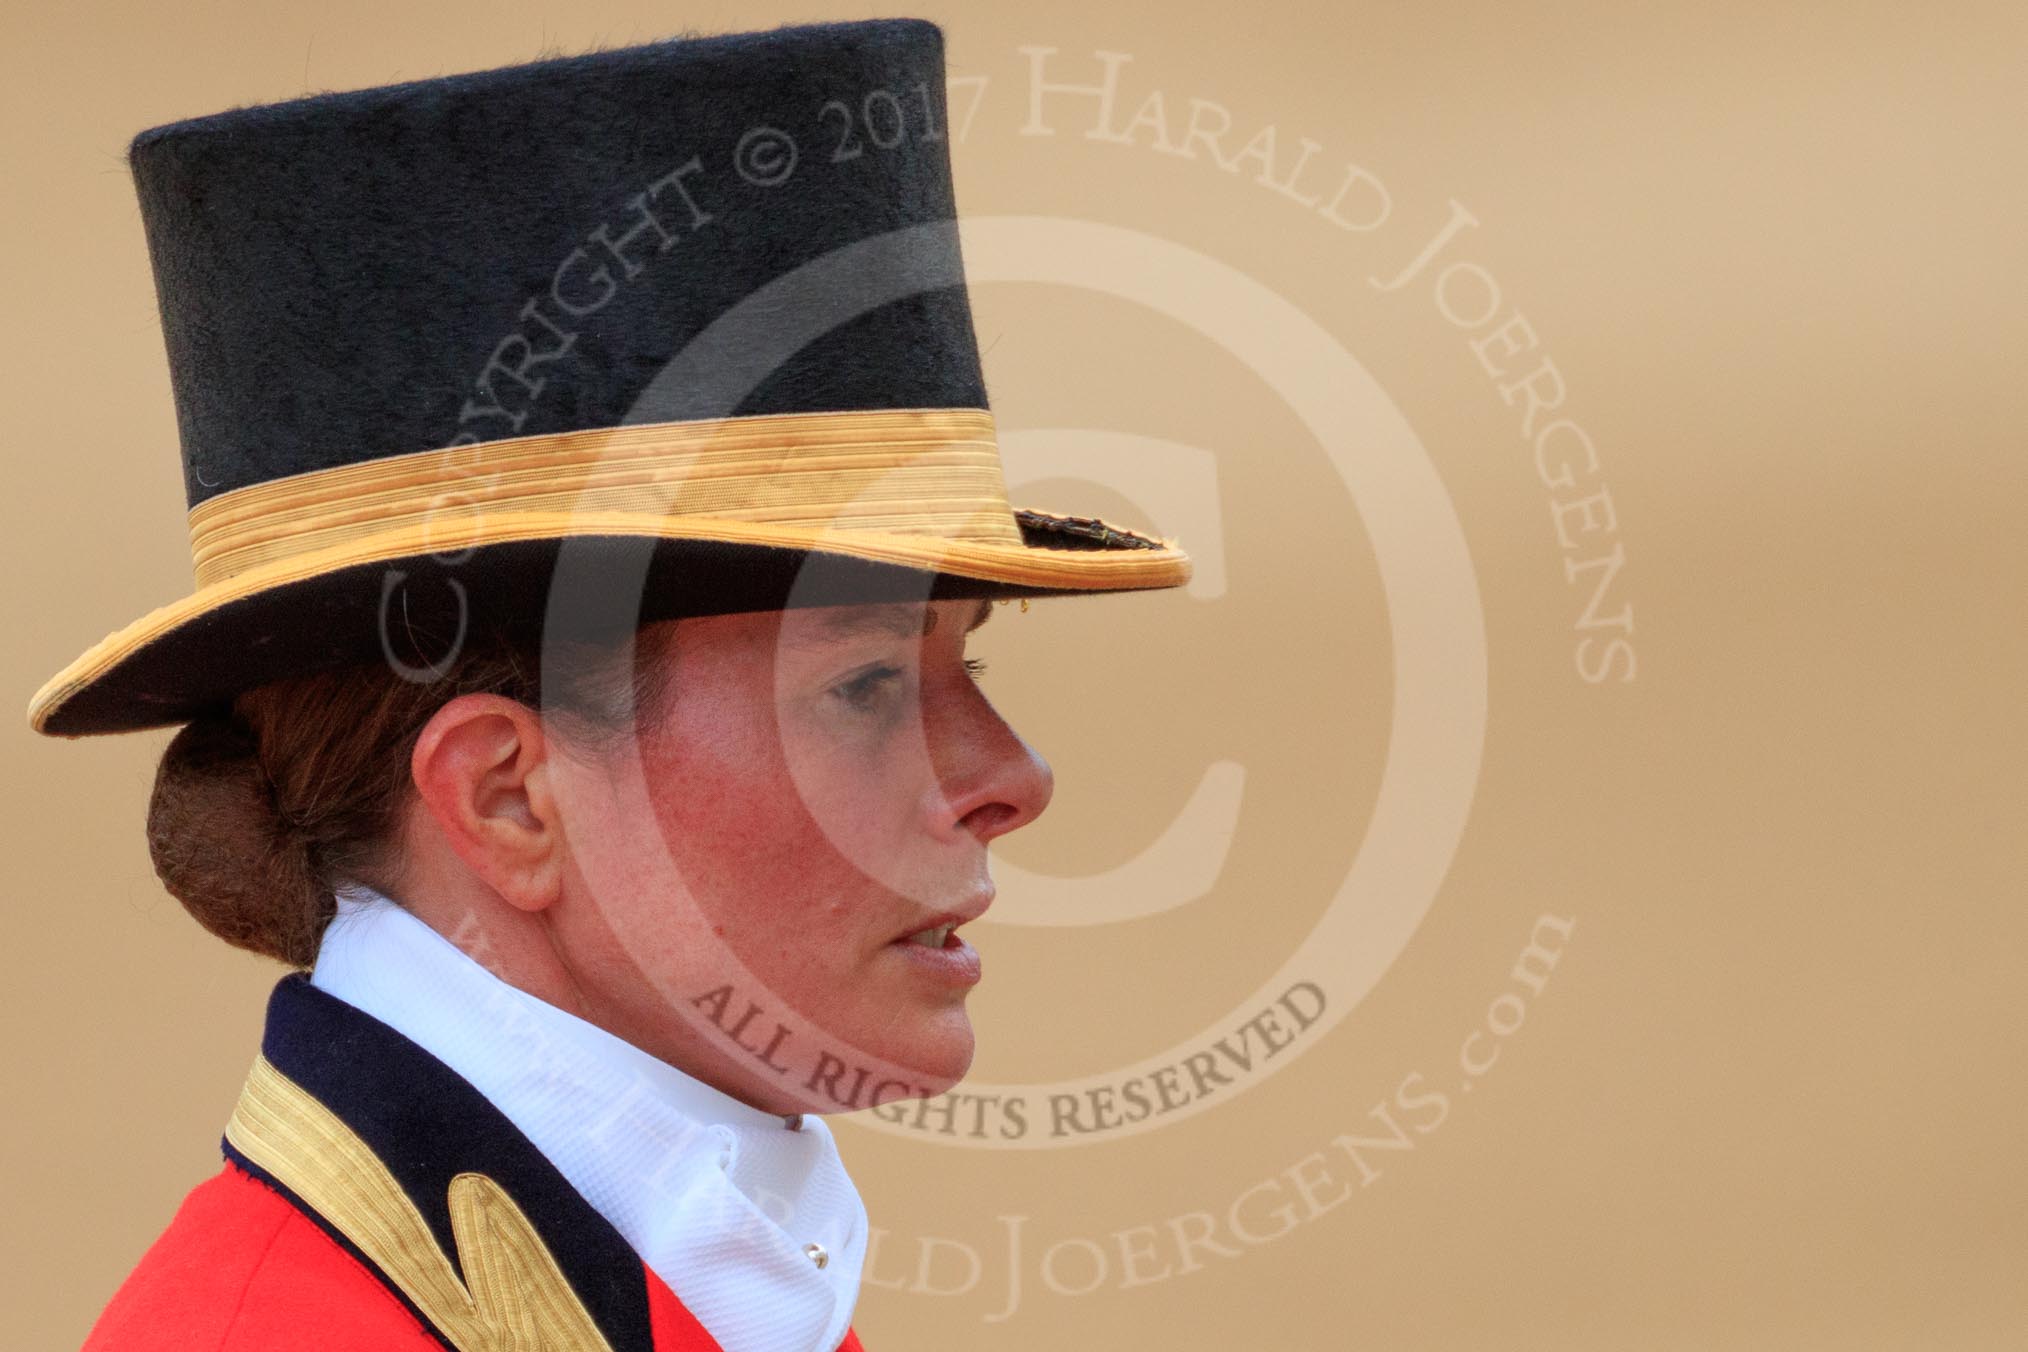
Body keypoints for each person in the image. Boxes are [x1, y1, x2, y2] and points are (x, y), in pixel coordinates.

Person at [29, 16, 1189, 1352]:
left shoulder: (680, 1274)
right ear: (510, 797)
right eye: (869, 684)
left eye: (963, 659)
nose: (1009, 779)